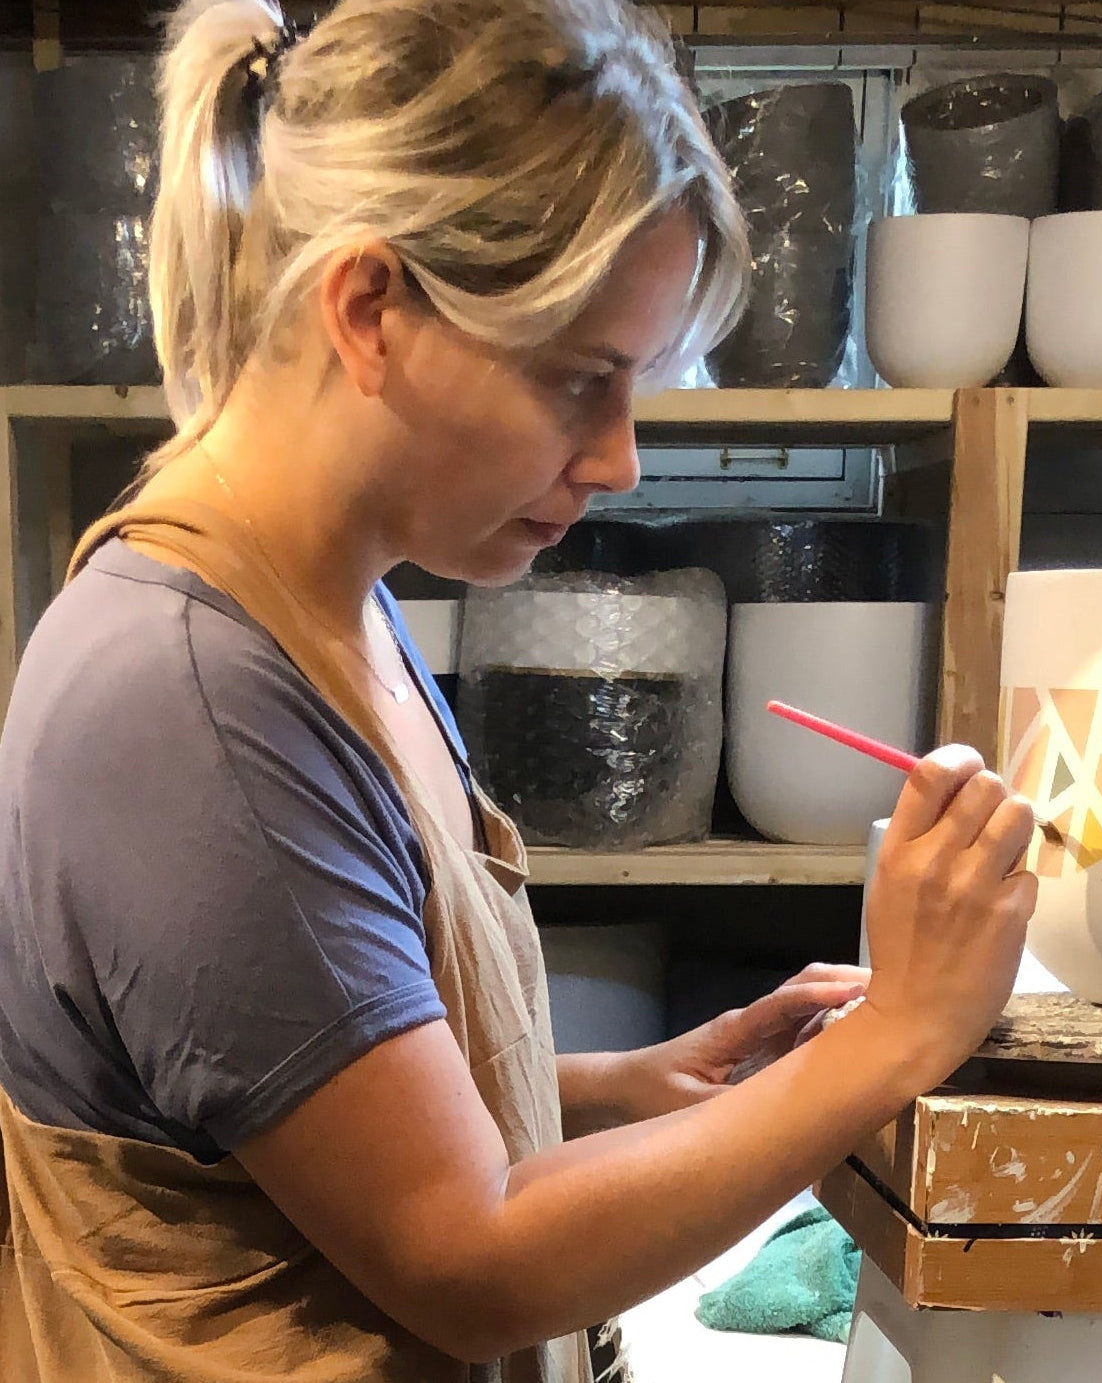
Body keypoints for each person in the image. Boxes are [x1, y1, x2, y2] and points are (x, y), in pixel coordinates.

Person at [0, 1, 1038, 1379]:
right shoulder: (191, 703)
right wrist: (902, 1036)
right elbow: (470, 1259)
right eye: (576, 383)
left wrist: (622, 1090)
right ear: (369, 307)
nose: (620, 462)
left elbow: (296, 1099)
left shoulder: (332, 612)